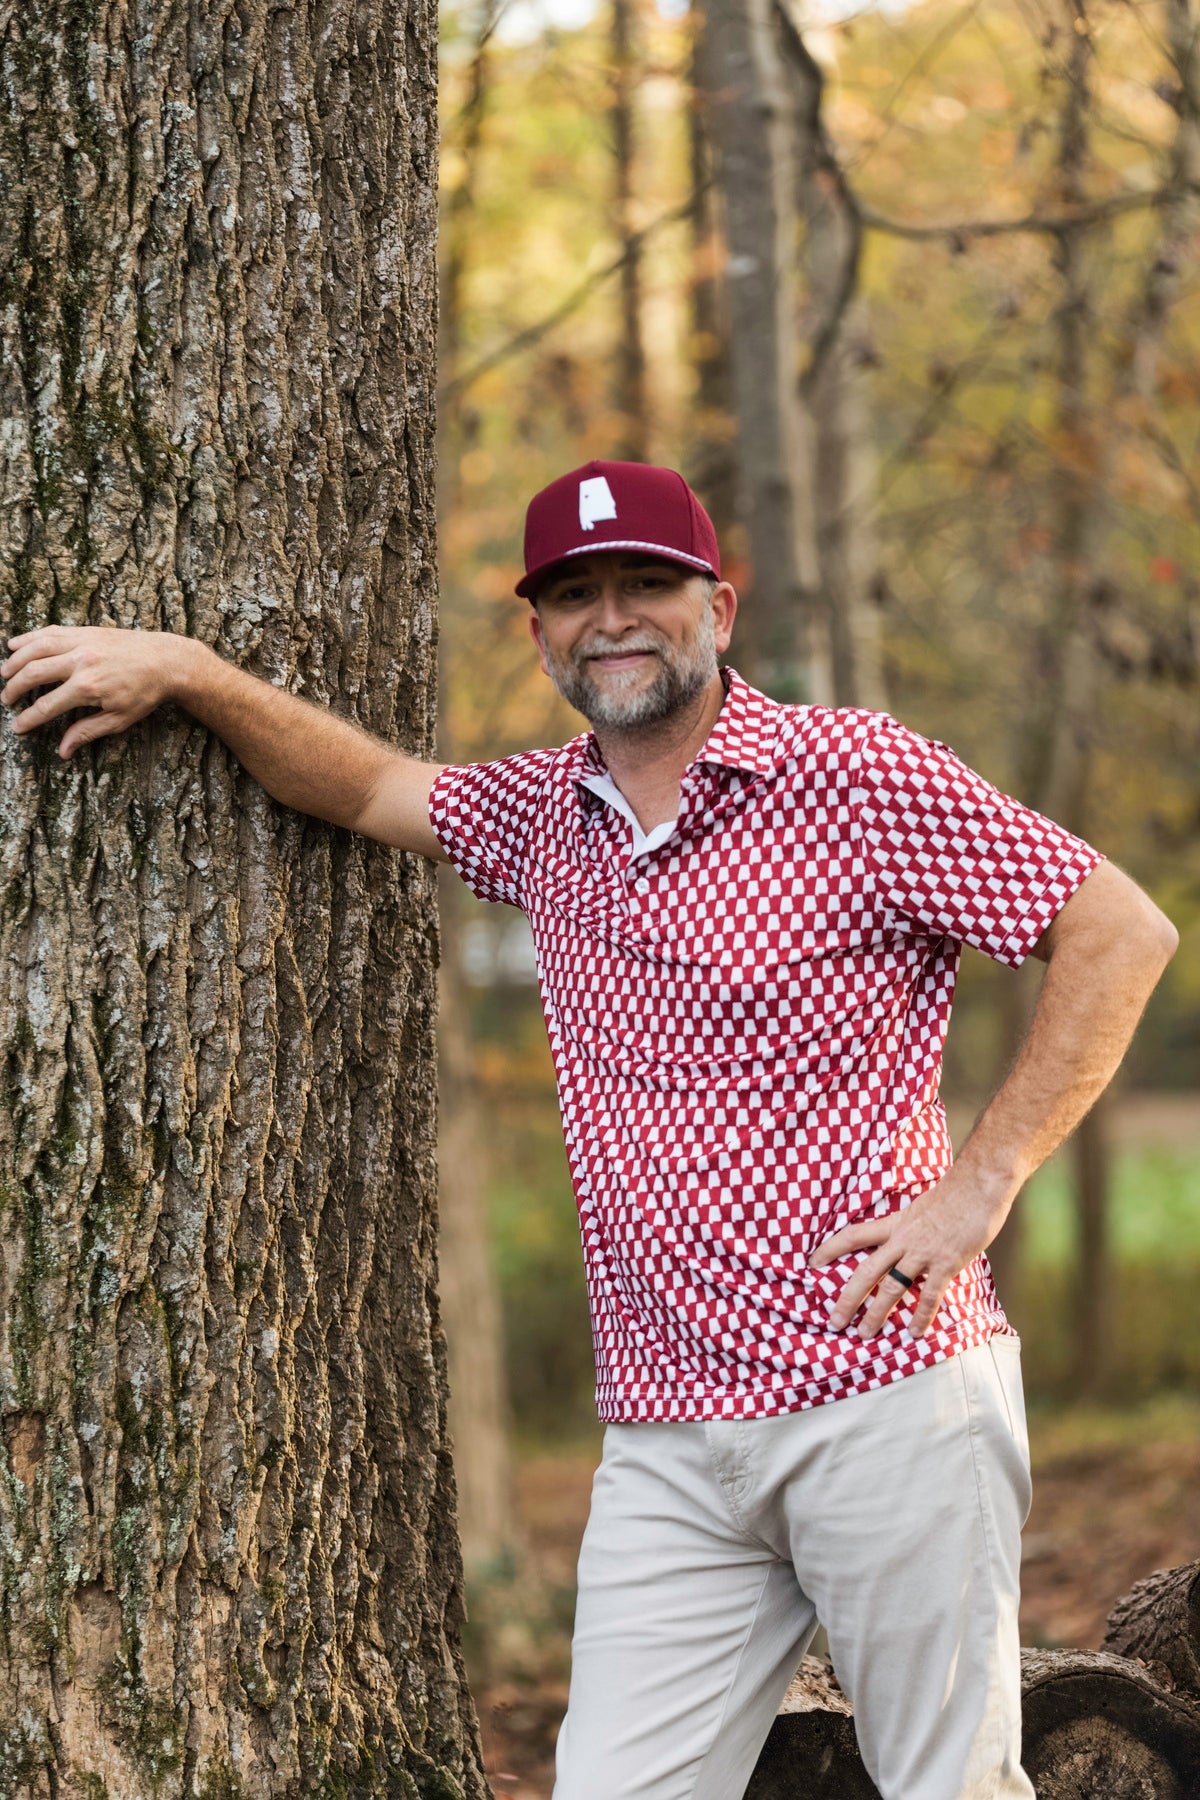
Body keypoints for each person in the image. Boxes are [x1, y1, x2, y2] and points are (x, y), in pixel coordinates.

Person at [0, 458, 1177, 1800]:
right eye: (576, 594)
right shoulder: (540, 817)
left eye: (645, 587)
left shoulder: (853, 774)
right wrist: (194, 674)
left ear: (717, 608)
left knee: (951, 1791)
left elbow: (1119, 931)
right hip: (670, 1442)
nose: (611, 617)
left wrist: (982, 1186)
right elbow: (366, 787)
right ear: (542, 632)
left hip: (889, 1401)